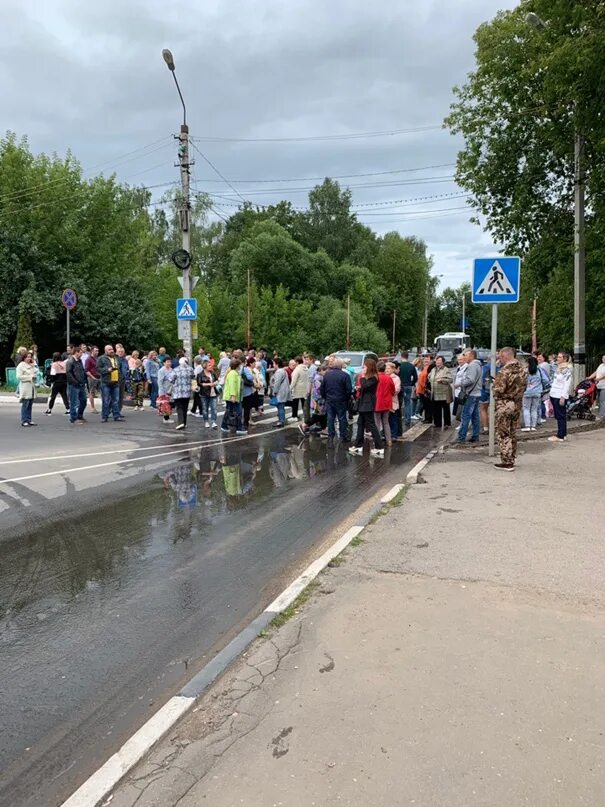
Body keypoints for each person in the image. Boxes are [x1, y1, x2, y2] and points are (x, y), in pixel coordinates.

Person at [492, 346, 527, 470]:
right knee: (512, 432)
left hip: (505, 404)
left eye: (500, 357)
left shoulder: (504, 372)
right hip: (517, 403)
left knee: (503, 432)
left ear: (505, 356)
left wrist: (493, 386)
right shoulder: (523, 370)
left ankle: (506, 461)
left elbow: (498, 389)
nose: (499, 359)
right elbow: (524, 387)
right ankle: (512, 457)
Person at [349, 357, 384, 457]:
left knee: (371, 425)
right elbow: (364, 387)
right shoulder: (370, 377)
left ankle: (379, 446)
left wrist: (363, 377)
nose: (363, 368)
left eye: (364, 367)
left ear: (369, 367)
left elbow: (365, 386)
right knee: (360, 423)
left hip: (368, 403)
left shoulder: (373, 378)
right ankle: (358, 445)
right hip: (364, 402)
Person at [320, 358, 352, 444]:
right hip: (341, 400)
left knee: (330, 418)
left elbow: (322, 388)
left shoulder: (327, 375)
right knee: (342, 418)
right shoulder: (345, 375)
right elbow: (349, 390)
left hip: (330, 399)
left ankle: (331, 435)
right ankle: (343, 436)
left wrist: (325, 397)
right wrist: (346, 398)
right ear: (341, 365)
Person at [457, 350, 483, 444]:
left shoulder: (472, 366)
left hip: (471, 394)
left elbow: (470, 380)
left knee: (466, 415)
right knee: (475, 416)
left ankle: (461, 438)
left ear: (471, 356)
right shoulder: (478, 365)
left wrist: (460, 384)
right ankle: (475, 436)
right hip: (476, 393)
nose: (464, 357)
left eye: (466, 355)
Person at [548, 351, 573, 443]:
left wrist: (563, 396)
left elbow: (567, 384)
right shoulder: (558, 368)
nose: (557, 359)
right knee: (559, 415)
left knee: (560, 416)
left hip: (559, 395)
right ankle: (563, 433)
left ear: (565, 359)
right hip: (554, 393)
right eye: (557, 357)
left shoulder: (567, 369)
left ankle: (560, 435)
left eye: (559, 357)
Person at [299, 363, 328, 437]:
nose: (327, 373)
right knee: (318, 415)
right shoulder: (319, 378)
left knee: (322, 415)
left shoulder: (319, 377)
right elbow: (319, 391)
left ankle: (324, 429)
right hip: (319, 401)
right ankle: (305, 424)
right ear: (321, 370)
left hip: (319, 400)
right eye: (326, 371)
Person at [97, 345, 124, 423]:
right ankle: (104, 416)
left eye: (112, 349)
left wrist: (120, 378)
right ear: (105, 351)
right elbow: (98, 369)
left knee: (116, 400)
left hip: (115, 382)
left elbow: (120, 368)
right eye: (109, 349)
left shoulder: (116, 357)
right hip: (106, 382)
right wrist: (107, 370)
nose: (111, 351)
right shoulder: (101, 358)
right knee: (106, 400)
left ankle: (116, 416)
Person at [169, 357, 195, 431]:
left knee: (179, 407)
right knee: (185, 407)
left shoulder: (176, 369)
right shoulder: (190, 369)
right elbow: (193, 377)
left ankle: (180, 422)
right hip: (187, 391)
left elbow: (171, 379)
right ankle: (185, 423)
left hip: (178, 391)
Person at [65, 345, 88, 425]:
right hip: (74, 385)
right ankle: (73, 418)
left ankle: (79, 415)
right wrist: (75, 381)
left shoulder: (79, 361)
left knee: (84, 401)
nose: (82, 354)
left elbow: (82, 371)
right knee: (74, 402)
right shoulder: (70, 361)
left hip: (81, 384)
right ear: (76, 353)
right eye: (80, 353)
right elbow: (68, 373)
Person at [374, 360, 396, 446]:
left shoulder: (375, 377)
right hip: (387, 402)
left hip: (377, 402)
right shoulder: (388, 378)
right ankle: (389, 440)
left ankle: (378, 440)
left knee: (377, 423)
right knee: (386, 422)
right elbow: (393, 390)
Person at [429, 355, 453, 429]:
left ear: (443, 362)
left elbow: (450, 380)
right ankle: (437, 423)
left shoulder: (446, 369)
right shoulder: (433, 369)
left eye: (439, 361)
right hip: (435, 392)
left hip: (444, 392)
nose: (437, 362)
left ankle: (447, 423)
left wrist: (442, 380)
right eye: (437, 361)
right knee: (436, 409)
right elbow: (429, 376)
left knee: (445, 409)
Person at [222, 358, 244, 433]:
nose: (241, 366)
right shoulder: (232, 374)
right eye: (240, 365)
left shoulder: (235, 373)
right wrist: (233, 395)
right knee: (236, 412)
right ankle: (239, 428)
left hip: (233, 396)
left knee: (230, 411)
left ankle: (224, 425)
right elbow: (232, 385)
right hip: (231, 396)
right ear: (237, 365)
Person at [521, 355, 542, 432]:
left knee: (526, 408)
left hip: (527, 392)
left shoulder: (525, 371)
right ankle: (533, 426)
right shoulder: (539, 370)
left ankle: (527, 425)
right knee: (534, 409)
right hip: (537, 392)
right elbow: (546, 380)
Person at [16, 351, 37, 427]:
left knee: (30, 404)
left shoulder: (31, 365)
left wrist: (34, 365)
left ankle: (29, 419)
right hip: (25, 387)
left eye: (30, 357)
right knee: (25, 404)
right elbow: (19, 377)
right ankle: (24, 420)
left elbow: (35, 373)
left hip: (31, 387)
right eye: (27, 357)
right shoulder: (21, 365)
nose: (29, 358)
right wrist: (30, 377)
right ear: (24, 358)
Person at [398, 352, 418, 428]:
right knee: (407, 403)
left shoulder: (399, 366)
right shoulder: (411, 366)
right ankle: (407, 419)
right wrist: (411, 383)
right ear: (408, 357)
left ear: (401, 357)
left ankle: (399, 418)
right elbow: (415, 377)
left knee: (399, 403)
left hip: (400, 386)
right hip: (408, 386)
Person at [269, 357, 289, 428]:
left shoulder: (279, 371)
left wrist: (274, 391)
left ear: (277, 364)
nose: (273, 365)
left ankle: (281, 421)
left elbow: (277, 383)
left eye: (274, 363)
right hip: (283, 391)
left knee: (280, 406)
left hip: (280, 392)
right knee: (281, 406)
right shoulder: (283, 371)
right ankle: (281, 420)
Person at [199, 360, 218, 428]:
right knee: (205, 409)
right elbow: (200, 384)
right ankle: (206, 421)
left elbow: (216, 380)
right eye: (209, 365)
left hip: (213, 393)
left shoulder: (213, 373)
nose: (211, 366)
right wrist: (210, 384)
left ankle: (213, 421)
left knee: (214, 408)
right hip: (204, 394)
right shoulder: (200, 374)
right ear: (205, 366)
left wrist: (215, 383)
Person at [385, 361, 402, 440]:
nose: (387, 370)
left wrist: (387, 392)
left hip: (392, 401)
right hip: (385, 402)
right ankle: (386, 434)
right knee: (385, 420)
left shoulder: (396, 378)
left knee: (393, 419)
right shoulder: (384, 377)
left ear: (392, 369)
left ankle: (394, 435)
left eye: (388, 368)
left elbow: (397, 389)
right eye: (386, 368)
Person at [289, 356, 309, 421]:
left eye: (295, 362)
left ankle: (294, 416)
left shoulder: (297, 369)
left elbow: (294, 381)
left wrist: (289, 389)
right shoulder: (306, 368)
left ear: (297, 362)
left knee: (295, 403)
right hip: (305, 388)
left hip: (297, 388)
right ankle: (305, 416)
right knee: (304, 404)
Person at [241, 356, 257, 433]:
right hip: (247, 391)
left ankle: (238, 423)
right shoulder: (245, 369)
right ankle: (245, 423)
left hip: (239, 392)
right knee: (247, 409)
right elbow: (250, 378)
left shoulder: (234, 369)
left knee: (239, 408)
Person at [416, 355, 434, 424]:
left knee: (427, 405)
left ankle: (428, 419)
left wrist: (425, 387)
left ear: (430, 361)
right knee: (425, 405)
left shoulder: (430, 369)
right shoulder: (424, 368)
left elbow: (428, 380)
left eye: (427, 359)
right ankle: (426, 418)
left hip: (425, 390)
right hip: (421, 390)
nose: (426, 361)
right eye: (425, 360)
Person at [587, 354, 605, 419]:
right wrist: (589, 377)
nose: (604, 359)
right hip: (598, 386)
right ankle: (601, 414)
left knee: (603, 401)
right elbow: (596, 372)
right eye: (603, 358)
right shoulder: (601, 365)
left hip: (604, 387)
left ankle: (602, 416)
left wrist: (599, 379)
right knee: (599, 401)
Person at [157, 356, 174, 423]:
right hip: (164, 390)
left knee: (169, 404)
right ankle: (166, 419)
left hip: (170, 389)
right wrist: (161, 392)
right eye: (167, 362)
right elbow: (160, 382)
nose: (169, 363)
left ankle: (167, 417)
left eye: (170, 362)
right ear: (164, 363)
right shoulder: (161, 370)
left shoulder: (171, 369)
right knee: (165, 405)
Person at [85, 345, 101, 413]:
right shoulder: (88, 359)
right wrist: (93, 377)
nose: (97, 352)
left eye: (98, 351)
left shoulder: (97, 359)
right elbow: (86, 370)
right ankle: (92, 408)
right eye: (96, 351)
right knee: (92, 392)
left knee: (102, 391)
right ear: (92, 351)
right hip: (92, 377)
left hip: (99, 377)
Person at [452, 353, 467, 421]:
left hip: (462, 391)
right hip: (457, 391)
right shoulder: (459, 367)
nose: (459, 361)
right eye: (458, 360)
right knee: (458, 409)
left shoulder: (466, 367)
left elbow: (466, 380)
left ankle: (462, 424)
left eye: (461, 359)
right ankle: (460, 423)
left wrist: (459, 385)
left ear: (465, 359)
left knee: (461, 409)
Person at [115, 344, 130, 411]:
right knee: (115, 396)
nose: (121, 353)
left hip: (123, 379)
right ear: (116, 352)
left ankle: (119, 410)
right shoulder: (115, 359)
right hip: (116, 380)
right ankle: (114, 410)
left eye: (122, 351)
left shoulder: (125, 360)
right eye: (119, 351)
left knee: (121, 396)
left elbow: (127, 369)